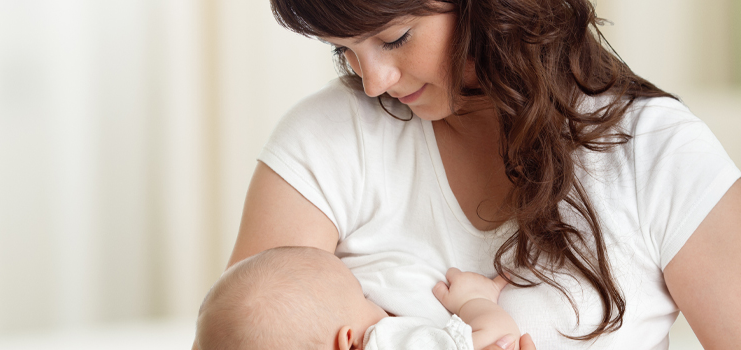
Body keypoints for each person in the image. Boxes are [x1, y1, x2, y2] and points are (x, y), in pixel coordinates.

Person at [196, 0, 741, 348]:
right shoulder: (328, 136)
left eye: (394, 38)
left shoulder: (654, 151)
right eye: (346, 49)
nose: (373, 82)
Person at [196, 246, 521, 350]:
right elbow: (497, 338)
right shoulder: (386, 341)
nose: (375, 302)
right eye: (362, 296)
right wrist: (474, 302)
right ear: (348, 342)